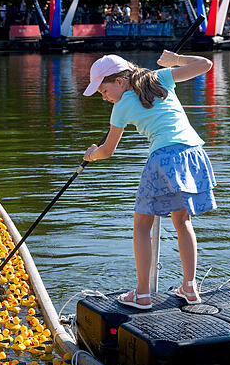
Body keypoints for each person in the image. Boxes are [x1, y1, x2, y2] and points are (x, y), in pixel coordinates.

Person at [82, 53, 216, 309]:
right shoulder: (161, 79)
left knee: (142, 225)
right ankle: (189, 287)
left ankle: (142, 294)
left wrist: (91, 155)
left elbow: (108, 150)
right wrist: (175, 59)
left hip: (163, 158)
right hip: (193, 153)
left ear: (120, 81)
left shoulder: (120, 107)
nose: (104, 96)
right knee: (182, 221)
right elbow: (205, 65)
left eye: (103, 89)